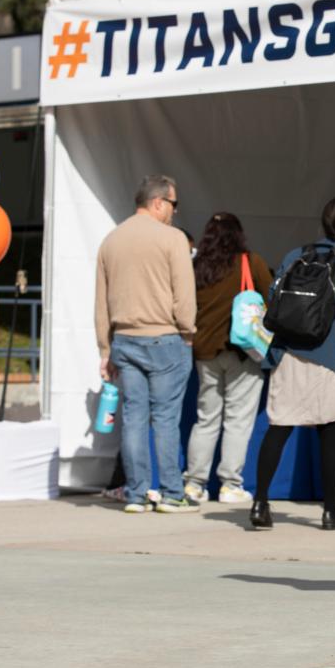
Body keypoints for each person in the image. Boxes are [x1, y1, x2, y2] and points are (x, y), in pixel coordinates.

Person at [251, 197, 335, 531]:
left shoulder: (296, 254)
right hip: (328, 356)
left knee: (278, 428)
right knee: (329, 432)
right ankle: (330, 512)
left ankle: (260, 504)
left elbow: (275, 297)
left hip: (287, 351)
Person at [95, 175, 197, 513]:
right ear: (157, 203)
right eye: (173, 204)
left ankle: (136, 494)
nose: (174, 212)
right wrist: (188, 330)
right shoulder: (173, 239)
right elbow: (184, 293)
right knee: (165, 419)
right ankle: (170, 493)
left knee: (134, 418)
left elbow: (101, 302)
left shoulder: (111, 240)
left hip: (125, 339)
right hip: (166, 337)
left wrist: (104, 349)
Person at [183, 212, 272, 504]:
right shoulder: (250, 262)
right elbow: (271, 301)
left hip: (205, 353)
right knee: (237, 421)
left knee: (206, 419)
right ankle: (229, 485)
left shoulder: (195, 267)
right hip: (243, 352)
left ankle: (194, 484)